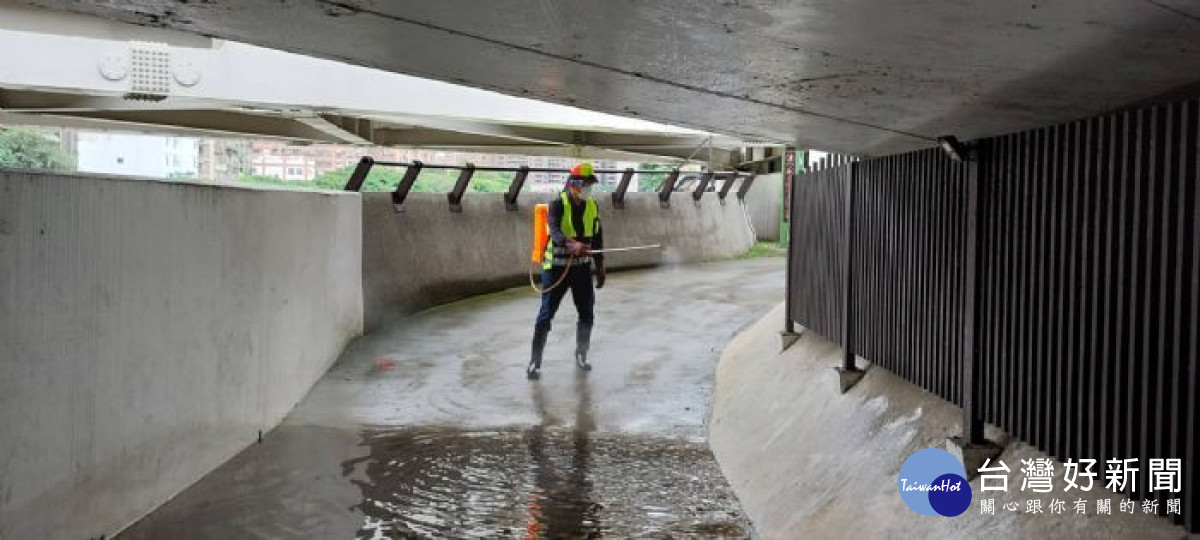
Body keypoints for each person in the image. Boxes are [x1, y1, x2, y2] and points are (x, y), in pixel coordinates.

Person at [527, 162, 606, 380]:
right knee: (545, 315)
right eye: (586, 185)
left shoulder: (592, 206)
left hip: (581, 270)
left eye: (590, 185)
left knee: (587, 313)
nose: (589, 189)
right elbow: (555, 231)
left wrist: (600, 266)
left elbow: (597, 236)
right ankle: (535, 361)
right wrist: (571, 244)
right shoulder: (557, 205)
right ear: (573, 185)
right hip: (556, 269)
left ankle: (581, 354)